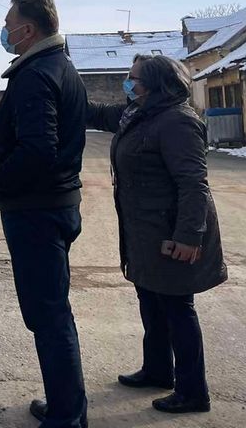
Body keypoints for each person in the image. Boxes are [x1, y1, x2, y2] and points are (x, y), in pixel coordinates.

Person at [87, 54, 227, 414]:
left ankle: (193, 391)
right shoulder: (139, 114)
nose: (128, 83)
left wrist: (189, 236)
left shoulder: (177, 121)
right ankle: (158, 369)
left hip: (171, 231)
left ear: (155, 84)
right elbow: (98, 114)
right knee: (150, 300)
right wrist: (64, 90)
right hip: (145, 231)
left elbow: (193, 184)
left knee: (177, 307)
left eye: (133, 78)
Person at [0, 0, 88, 428]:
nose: (5, 31)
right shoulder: (60, 66)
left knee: (48, 316)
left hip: (37, 212)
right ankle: (66, 404)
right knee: (52, 311)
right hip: (54, 205)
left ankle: (67, 417)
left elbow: (38, 150)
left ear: (27, 30)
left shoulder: (36, 74)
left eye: (9, 24)